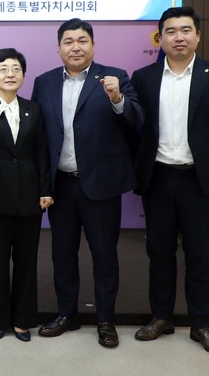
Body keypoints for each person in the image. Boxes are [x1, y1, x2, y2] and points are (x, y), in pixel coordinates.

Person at [131, 6, 209, 357]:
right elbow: (135, 126)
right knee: (159, 253)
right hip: (159, 178)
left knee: (200, 254)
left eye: (186, 30)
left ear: (198, 36)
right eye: (171, 31)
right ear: (161, 38)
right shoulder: (144, 77)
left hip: (200, 180)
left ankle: (202, 324)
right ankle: (161, 317)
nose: (179, 37)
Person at [31, 18, 144, 348]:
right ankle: (67, 314)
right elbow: (39, 137)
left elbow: (137, 119)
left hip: (100, 185)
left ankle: (105, 320)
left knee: (105, 255)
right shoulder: (44, 82)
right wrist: (43, 185)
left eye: (82, 40)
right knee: (62, 255)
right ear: (58, 48)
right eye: (68, 41)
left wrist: (117, 98)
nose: (75, 47)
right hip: (61, 186)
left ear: (93, 45)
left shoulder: (115, 77)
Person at [0, 48, 53, 342]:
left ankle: (22, 320)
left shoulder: (34, 109)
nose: (10, 74)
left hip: (30, 195)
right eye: (3, 69)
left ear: (23, 76)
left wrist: (45, 190)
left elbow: (41, 151)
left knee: (26, 261)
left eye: (16, 69)